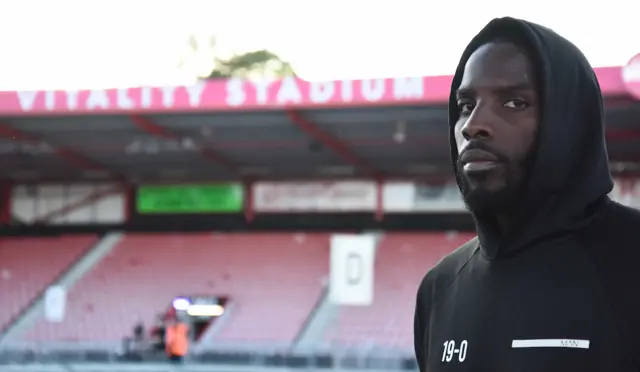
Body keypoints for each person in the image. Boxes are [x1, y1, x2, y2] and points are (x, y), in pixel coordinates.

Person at [413, 17, 640, 371]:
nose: (473, 125)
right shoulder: (438, 287)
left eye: (514, 103)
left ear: (569, 121)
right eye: (465, 105)